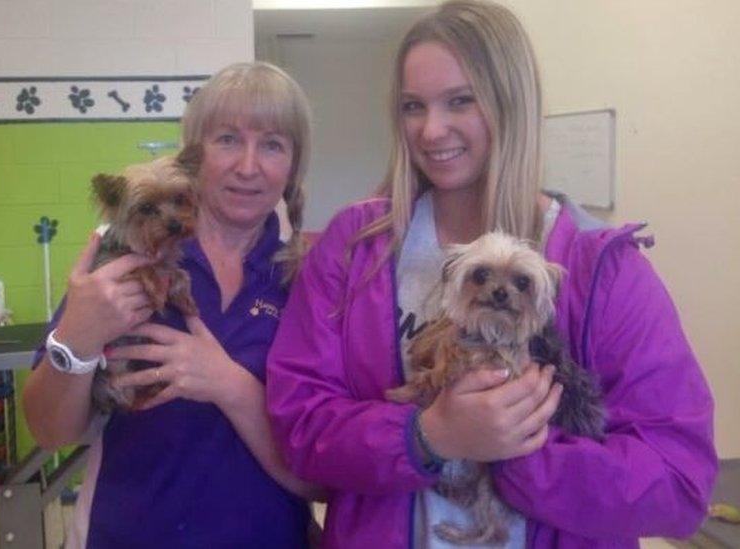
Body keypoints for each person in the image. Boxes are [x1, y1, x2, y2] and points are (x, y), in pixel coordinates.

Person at [265, 1, 717, 547]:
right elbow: (299, 426)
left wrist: (518, 454)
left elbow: (677, 483)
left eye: (460, 101)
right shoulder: (354, 247)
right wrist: (427, 436)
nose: (431, 131)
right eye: (413, 106)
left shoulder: (601, 269)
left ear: (510, 103)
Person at [23, 61, 320, 548]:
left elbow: (324, 475)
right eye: (227, 139)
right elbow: (49, 431)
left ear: (293, 165)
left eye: (272, 144)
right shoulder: (121, 261)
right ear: (192, 155)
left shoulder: (308, 279)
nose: (248, 166)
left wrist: (228, 384)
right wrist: (74, 337)